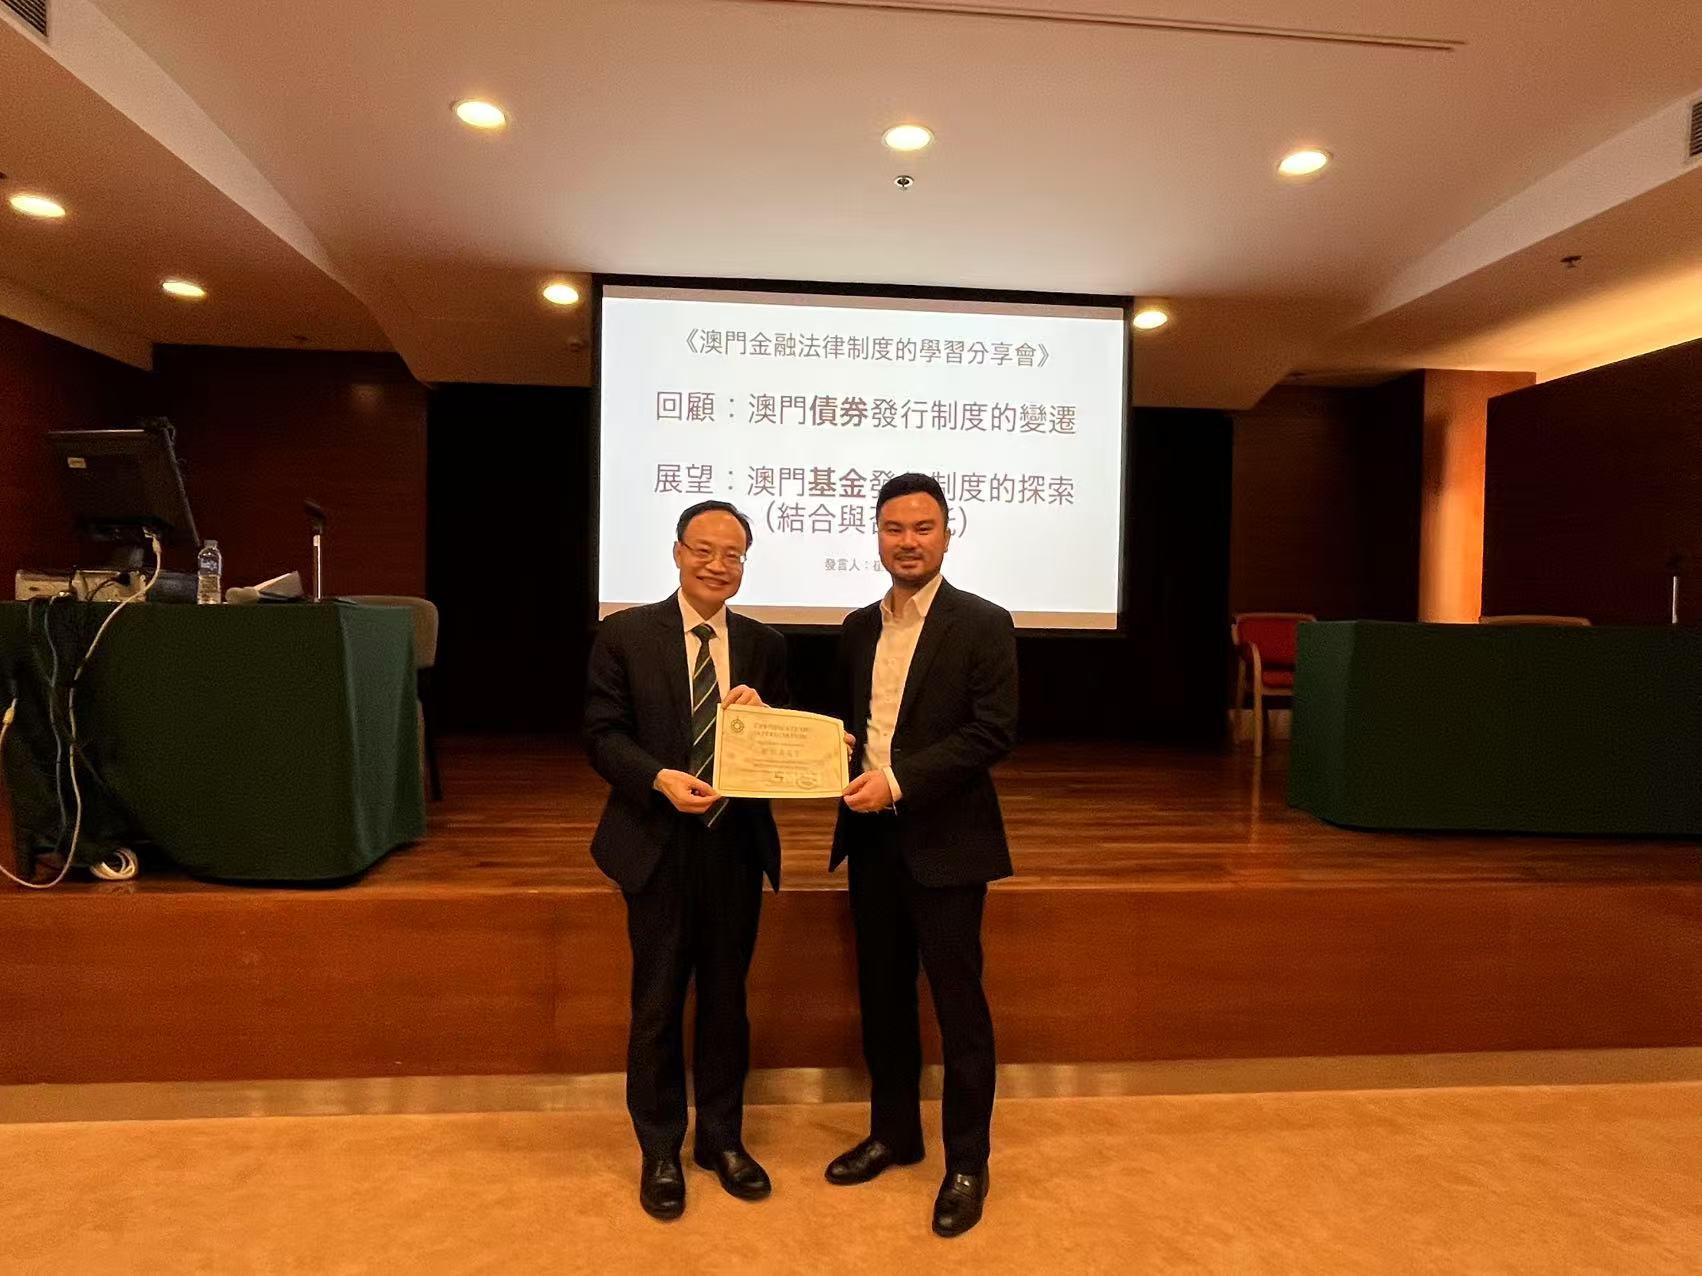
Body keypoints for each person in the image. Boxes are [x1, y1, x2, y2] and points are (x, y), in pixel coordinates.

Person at [823, 472, 1019, 1238]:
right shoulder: (855, 627)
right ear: (877, 535)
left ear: (947, 533)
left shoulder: (984, 623)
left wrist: (899, 782)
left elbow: (992, 730)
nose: (908, 542)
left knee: (959, 1006)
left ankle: (967, 1162)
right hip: (870, 842)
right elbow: (850, 726)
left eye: (922, 527)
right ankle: (894, 1133)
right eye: (894, 528)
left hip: (948, 843)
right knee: (883, 997)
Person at [584, 500, 790, 1221]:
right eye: (703, 550)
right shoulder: (626, 634)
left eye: (733, 555)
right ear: (677, 552)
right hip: (657, 845)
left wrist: (769, 722)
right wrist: (656, 778)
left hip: (735, 847)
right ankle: (661, 1149)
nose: (717, 565)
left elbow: (781, 749)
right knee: (658, 1004)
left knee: (728, 1003)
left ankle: (723, 1141)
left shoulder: (764, 644)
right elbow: (601, 734)